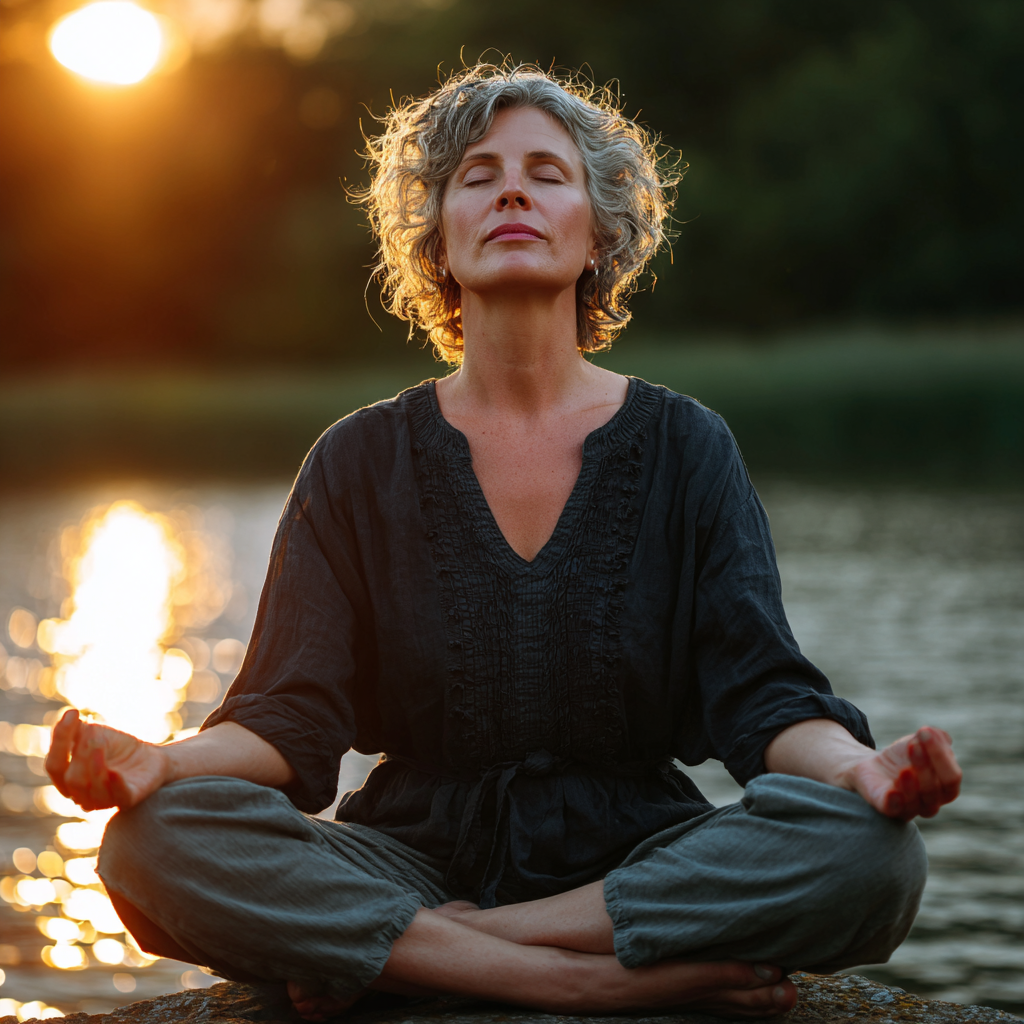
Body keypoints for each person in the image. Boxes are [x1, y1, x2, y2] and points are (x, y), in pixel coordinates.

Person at [46, 64, 961, 1021]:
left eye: (546, 174)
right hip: (404, 856)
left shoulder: (687, 446)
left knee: (871, 850)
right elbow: (286, 717)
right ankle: (573, 977)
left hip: (637, 859)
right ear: (437, 235)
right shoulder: (358, 459)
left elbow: (764, 696)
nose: (511, 190)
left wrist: (861, 774)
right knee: (154, 843)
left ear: (601, 229)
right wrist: (159, 764)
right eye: (477, 176)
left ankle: (430, 952)